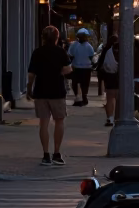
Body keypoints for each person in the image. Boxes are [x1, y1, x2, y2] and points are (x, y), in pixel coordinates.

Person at [26, 26, 72, 165]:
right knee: (59, 121)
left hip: (41, 91)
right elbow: (69, 69)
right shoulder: (61, 52)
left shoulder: (37, 52)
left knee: (43, 123)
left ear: (43, 38)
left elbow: (31, 74)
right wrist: (59, 72)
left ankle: (46, 155)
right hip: (57, 91)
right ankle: (57, 153)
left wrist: (29, 89)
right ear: (57, 38)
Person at [69, 28, 95, 105]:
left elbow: (70, 55)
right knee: (84, 83)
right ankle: (83, 96)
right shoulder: (89, 46)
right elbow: (91, 57)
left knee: (75, 83)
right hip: (86, 68)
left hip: (77, 67)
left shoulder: (74, 45)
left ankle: (79, 96)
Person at [99, 36, 119, 126]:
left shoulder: (107, 50)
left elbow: (101, 64)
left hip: (110, 77)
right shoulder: (123, 50)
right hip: (121, 77)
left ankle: (110, 118)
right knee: (120, 99)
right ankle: (118, 118)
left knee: (110, 98)